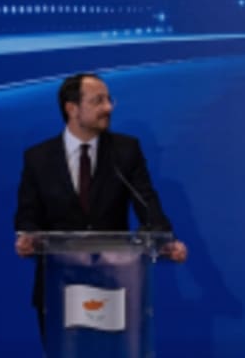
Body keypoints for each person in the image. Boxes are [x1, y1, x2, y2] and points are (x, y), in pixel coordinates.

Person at [14, 72, 187, 340]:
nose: (108, 107)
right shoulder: (38, 158)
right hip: (59, 284)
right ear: (72, 109)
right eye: (97, 101)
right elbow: (28, 214)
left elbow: (146, 201)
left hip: (115, 281)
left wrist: (165, 239)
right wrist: (27, 237)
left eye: (108, 100)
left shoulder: (125, 150)